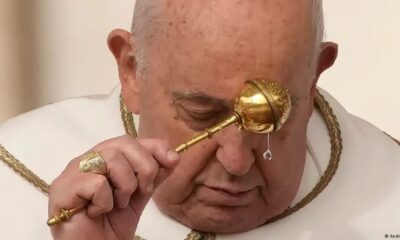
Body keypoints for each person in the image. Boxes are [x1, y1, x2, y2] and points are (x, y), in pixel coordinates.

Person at [0, 0, 399, 239]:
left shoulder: (388, 198)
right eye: (202, 113)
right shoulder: (9, 188)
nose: (237, 162)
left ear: (314, 77)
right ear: (131, 69)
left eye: (272, 116)